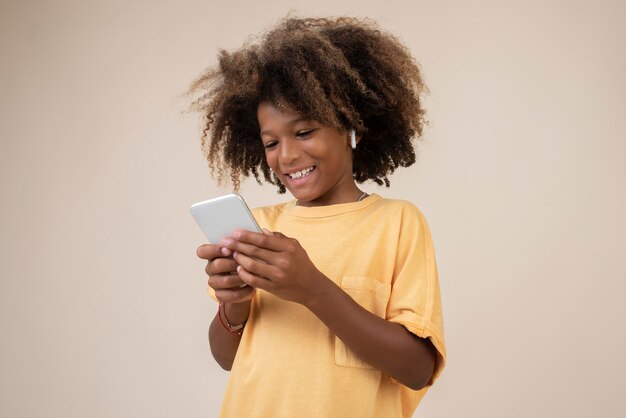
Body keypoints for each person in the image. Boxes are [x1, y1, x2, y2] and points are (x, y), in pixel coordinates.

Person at [190, 16, 446, 418]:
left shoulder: (397, 223)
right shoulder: (258, 227)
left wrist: (312, 289)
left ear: (350, 126)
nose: (287, 156)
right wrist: (234, 305)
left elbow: (417, 369)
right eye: (271, 142)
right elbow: (226, 358)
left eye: (305, 132)